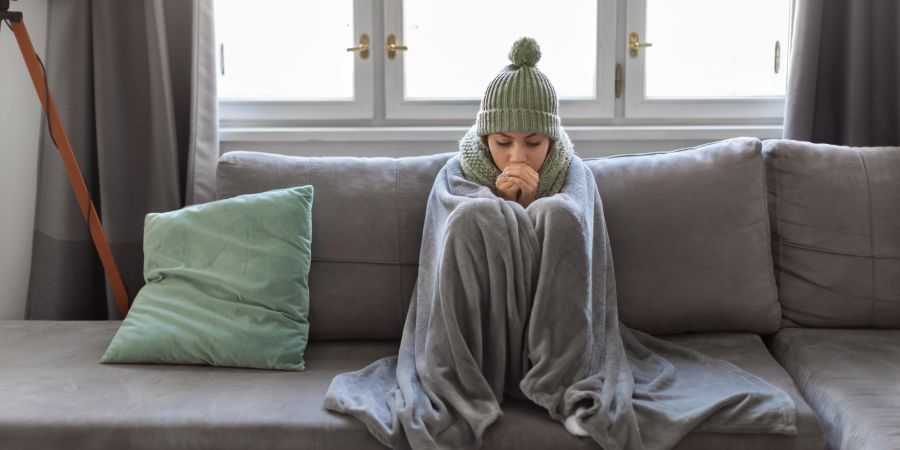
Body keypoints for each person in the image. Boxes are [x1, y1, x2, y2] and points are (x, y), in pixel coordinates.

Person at [324, 37, 798, 450]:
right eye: (503, 141)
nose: (516, 155)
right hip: (477, 340)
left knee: (558, 213)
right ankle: (476, 382)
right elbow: (444, 254)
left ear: (550, 137)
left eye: (533, 142)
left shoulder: (575, 175)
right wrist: (503, 207)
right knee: (476, 214)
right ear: (485, 135)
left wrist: (533, 206)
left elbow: (582, 246)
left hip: (563, 343)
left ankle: (556, 379)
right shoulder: (457, 175)